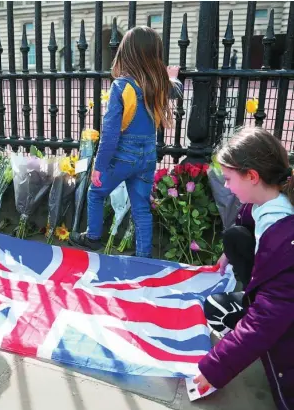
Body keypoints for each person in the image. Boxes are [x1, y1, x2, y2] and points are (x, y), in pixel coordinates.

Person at [194, 127, 294, 410]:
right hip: (278, 302)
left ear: (252, 176)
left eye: (228, 179)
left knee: (246, 321)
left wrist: (214, 368)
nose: (225, 187)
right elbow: (245, 223)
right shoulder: (265, 202)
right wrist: (227, 255)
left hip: (284, 326)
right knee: (216, 305)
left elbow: (266, 318)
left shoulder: (285, 239)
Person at [69, 26, 181, 258]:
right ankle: (143, 255)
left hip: (121, 156)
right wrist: (172, 78)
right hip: (148, 156)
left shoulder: (121, 87)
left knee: (96, 193)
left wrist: (99, 167)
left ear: (125, 53)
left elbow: (110, 135)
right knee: (141, 207)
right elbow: (176, 91)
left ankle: (93, 237)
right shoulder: (159, 86)